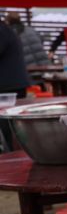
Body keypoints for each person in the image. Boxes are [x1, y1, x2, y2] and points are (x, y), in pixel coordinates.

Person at [0, 15, 29, 151]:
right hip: (11, 82)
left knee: (9, 123)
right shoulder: (5, 30)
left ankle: (14, 155)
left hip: (9, 84)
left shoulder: (2, 31)